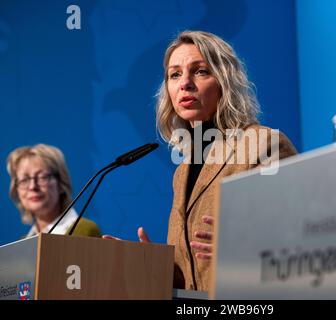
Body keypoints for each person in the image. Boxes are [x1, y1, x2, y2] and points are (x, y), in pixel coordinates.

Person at [105, 30, 298, 291]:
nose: (185, 83)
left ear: (224, 81)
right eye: (174, 75)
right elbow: (192, 273)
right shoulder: (182, 172)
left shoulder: (263, 144)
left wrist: (241, 244)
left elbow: (299, 236)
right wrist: (147, 264)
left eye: (200, 71)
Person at [6, 144, 102, 238]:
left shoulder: (84, 231)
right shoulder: (23, 242)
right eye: (24, 180)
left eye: (42, 177)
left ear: (61, 183)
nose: (32, 186)